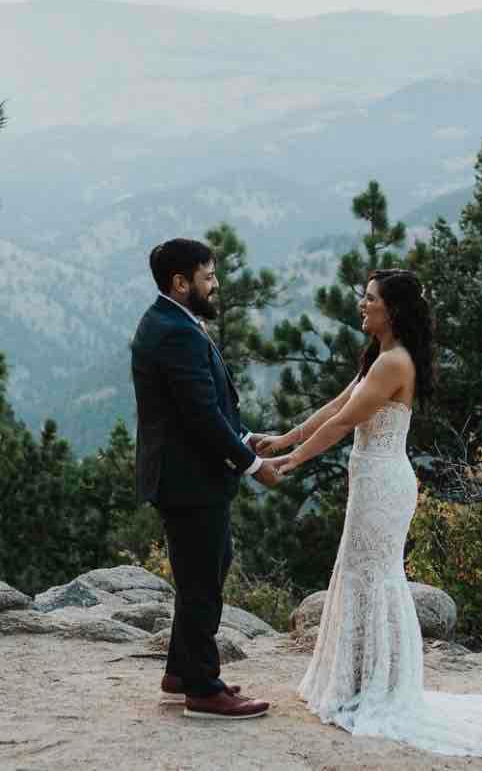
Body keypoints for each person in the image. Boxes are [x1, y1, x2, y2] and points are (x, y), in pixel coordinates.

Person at [260, 268, 482, 760]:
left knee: (375, 578)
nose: (362, 305)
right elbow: (337, 404)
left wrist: (291, 461)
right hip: (369, 480)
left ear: (391, 310)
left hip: (383, 485)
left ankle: (377, 687)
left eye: (370, 299)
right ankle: (356, 681)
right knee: (358, 573)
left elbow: (349, 420)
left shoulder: (394, 363)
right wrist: (286, 437)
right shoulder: (378, 359)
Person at [131, 238, 280, 720]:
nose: (215, 286)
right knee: (202, 584)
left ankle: (180, 670)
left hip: (188, 477)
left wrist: (246, 437)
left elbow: (205, 406)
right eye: (208, 277)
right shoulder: (175, 331)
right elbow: (199, 415)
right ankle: (203, 688)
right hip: (189, 480)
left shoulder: (173, 323)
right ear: (181, 283)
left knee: (208, 569)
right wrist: (253, 465)